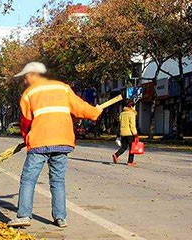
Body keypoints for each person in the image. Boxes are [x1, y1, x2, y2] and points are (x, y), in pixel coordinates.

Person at [10, 62, 102, 228]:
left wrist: (26, 137)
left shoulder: (30, 93)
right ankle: (60, 218)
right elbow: (81, 108)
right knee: (58, 181)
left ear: (33, 75)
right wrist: (95, 112)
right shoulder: (63, 88)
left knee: (28, 179)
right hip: (62, 141)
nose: (25, 80)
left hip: (39, 142)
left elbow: (25, 121)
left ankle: (24, 215)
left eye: (26, 76)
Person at [112, 100, 138, 166]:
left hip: (123, 133)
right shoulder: (132, 114)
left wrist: (118, 134)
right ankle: (130, 161)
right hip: (130, 133)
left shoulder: (122, 114)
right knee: (132, 148)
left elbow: (120, 124)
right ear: (131, 106)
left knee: (124, 146)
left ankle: (116, 155)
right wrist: (135, 134)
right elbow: (132, 125)